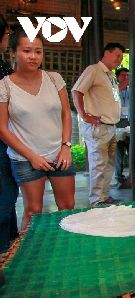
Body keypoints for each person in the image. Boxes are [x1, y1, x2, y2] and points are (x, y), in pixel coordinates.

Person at [0, 28, 75, 230]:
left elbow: (66, 114)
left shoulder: (54, 79)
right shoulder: (4, 86)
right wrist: (32, 156)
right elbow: (2, 129)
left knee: (68, 208)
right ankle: (28, 258)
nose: (33, 56)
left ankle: (66, 251)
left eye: (38, 51)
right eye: (27, 51)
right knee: (33, 211)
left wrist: (66, 146)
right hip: (26, 159)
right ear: (13, 53)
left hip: (60, 154)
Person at [72, 43, 125, 207]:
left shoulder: (109, 75)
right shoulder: (94, 70)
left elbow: (111, 95)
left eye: (121, 57)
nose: (119, 59)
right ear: (106, 53)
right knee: (99, 163)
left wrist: (123, 84)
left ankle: (104, 195)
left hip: (110, 126)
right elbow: (76, 91)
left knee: (108, 163)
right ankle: (96, 198)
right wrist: (84, 115)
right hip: (98, 126)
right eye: (117, 55)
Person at [0, 16, 19, 253]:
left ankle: (10, 245)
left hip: (7, 142)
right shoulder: (4, 74)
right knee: (4, 197)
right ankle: (5, 250)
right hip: (4, 143)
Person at [114, 67, 130, 189]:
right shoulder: (113, 89)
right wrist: (122, 86)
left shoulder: (132, 89)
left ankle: (131, 177)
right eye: (123, 75)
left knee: (132, 151)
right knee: (119, 152)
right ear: (117, 77)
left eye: (127, 75)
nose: (126, 78)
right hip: (117, 122)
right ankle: (119, 178)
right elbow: (111, 98)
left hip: (130, 122)